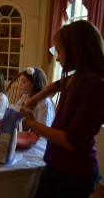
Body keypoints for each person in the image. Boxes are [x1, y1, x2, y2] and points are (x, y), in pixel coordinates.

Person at [21, 20, 104, 197]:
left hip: (74, 174)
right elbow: (56, 85)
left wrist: (33, 123)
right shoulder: (78, 77)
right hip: (56, 163)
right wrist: (36, 98)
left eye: (59, 51)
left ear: (77, 51)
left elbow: (70, 140)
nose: (57, 58)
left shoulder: (96, 87)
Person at [16, 67, 55, 149]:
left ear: (34, 83)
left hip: (40, 143)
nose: (20, 84)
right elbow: (17, 111)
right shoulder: (25, 96)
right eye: (20, 81)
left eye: (23, 81)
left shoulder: (45, 103)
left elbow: (44, 132)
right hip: (26, 136)